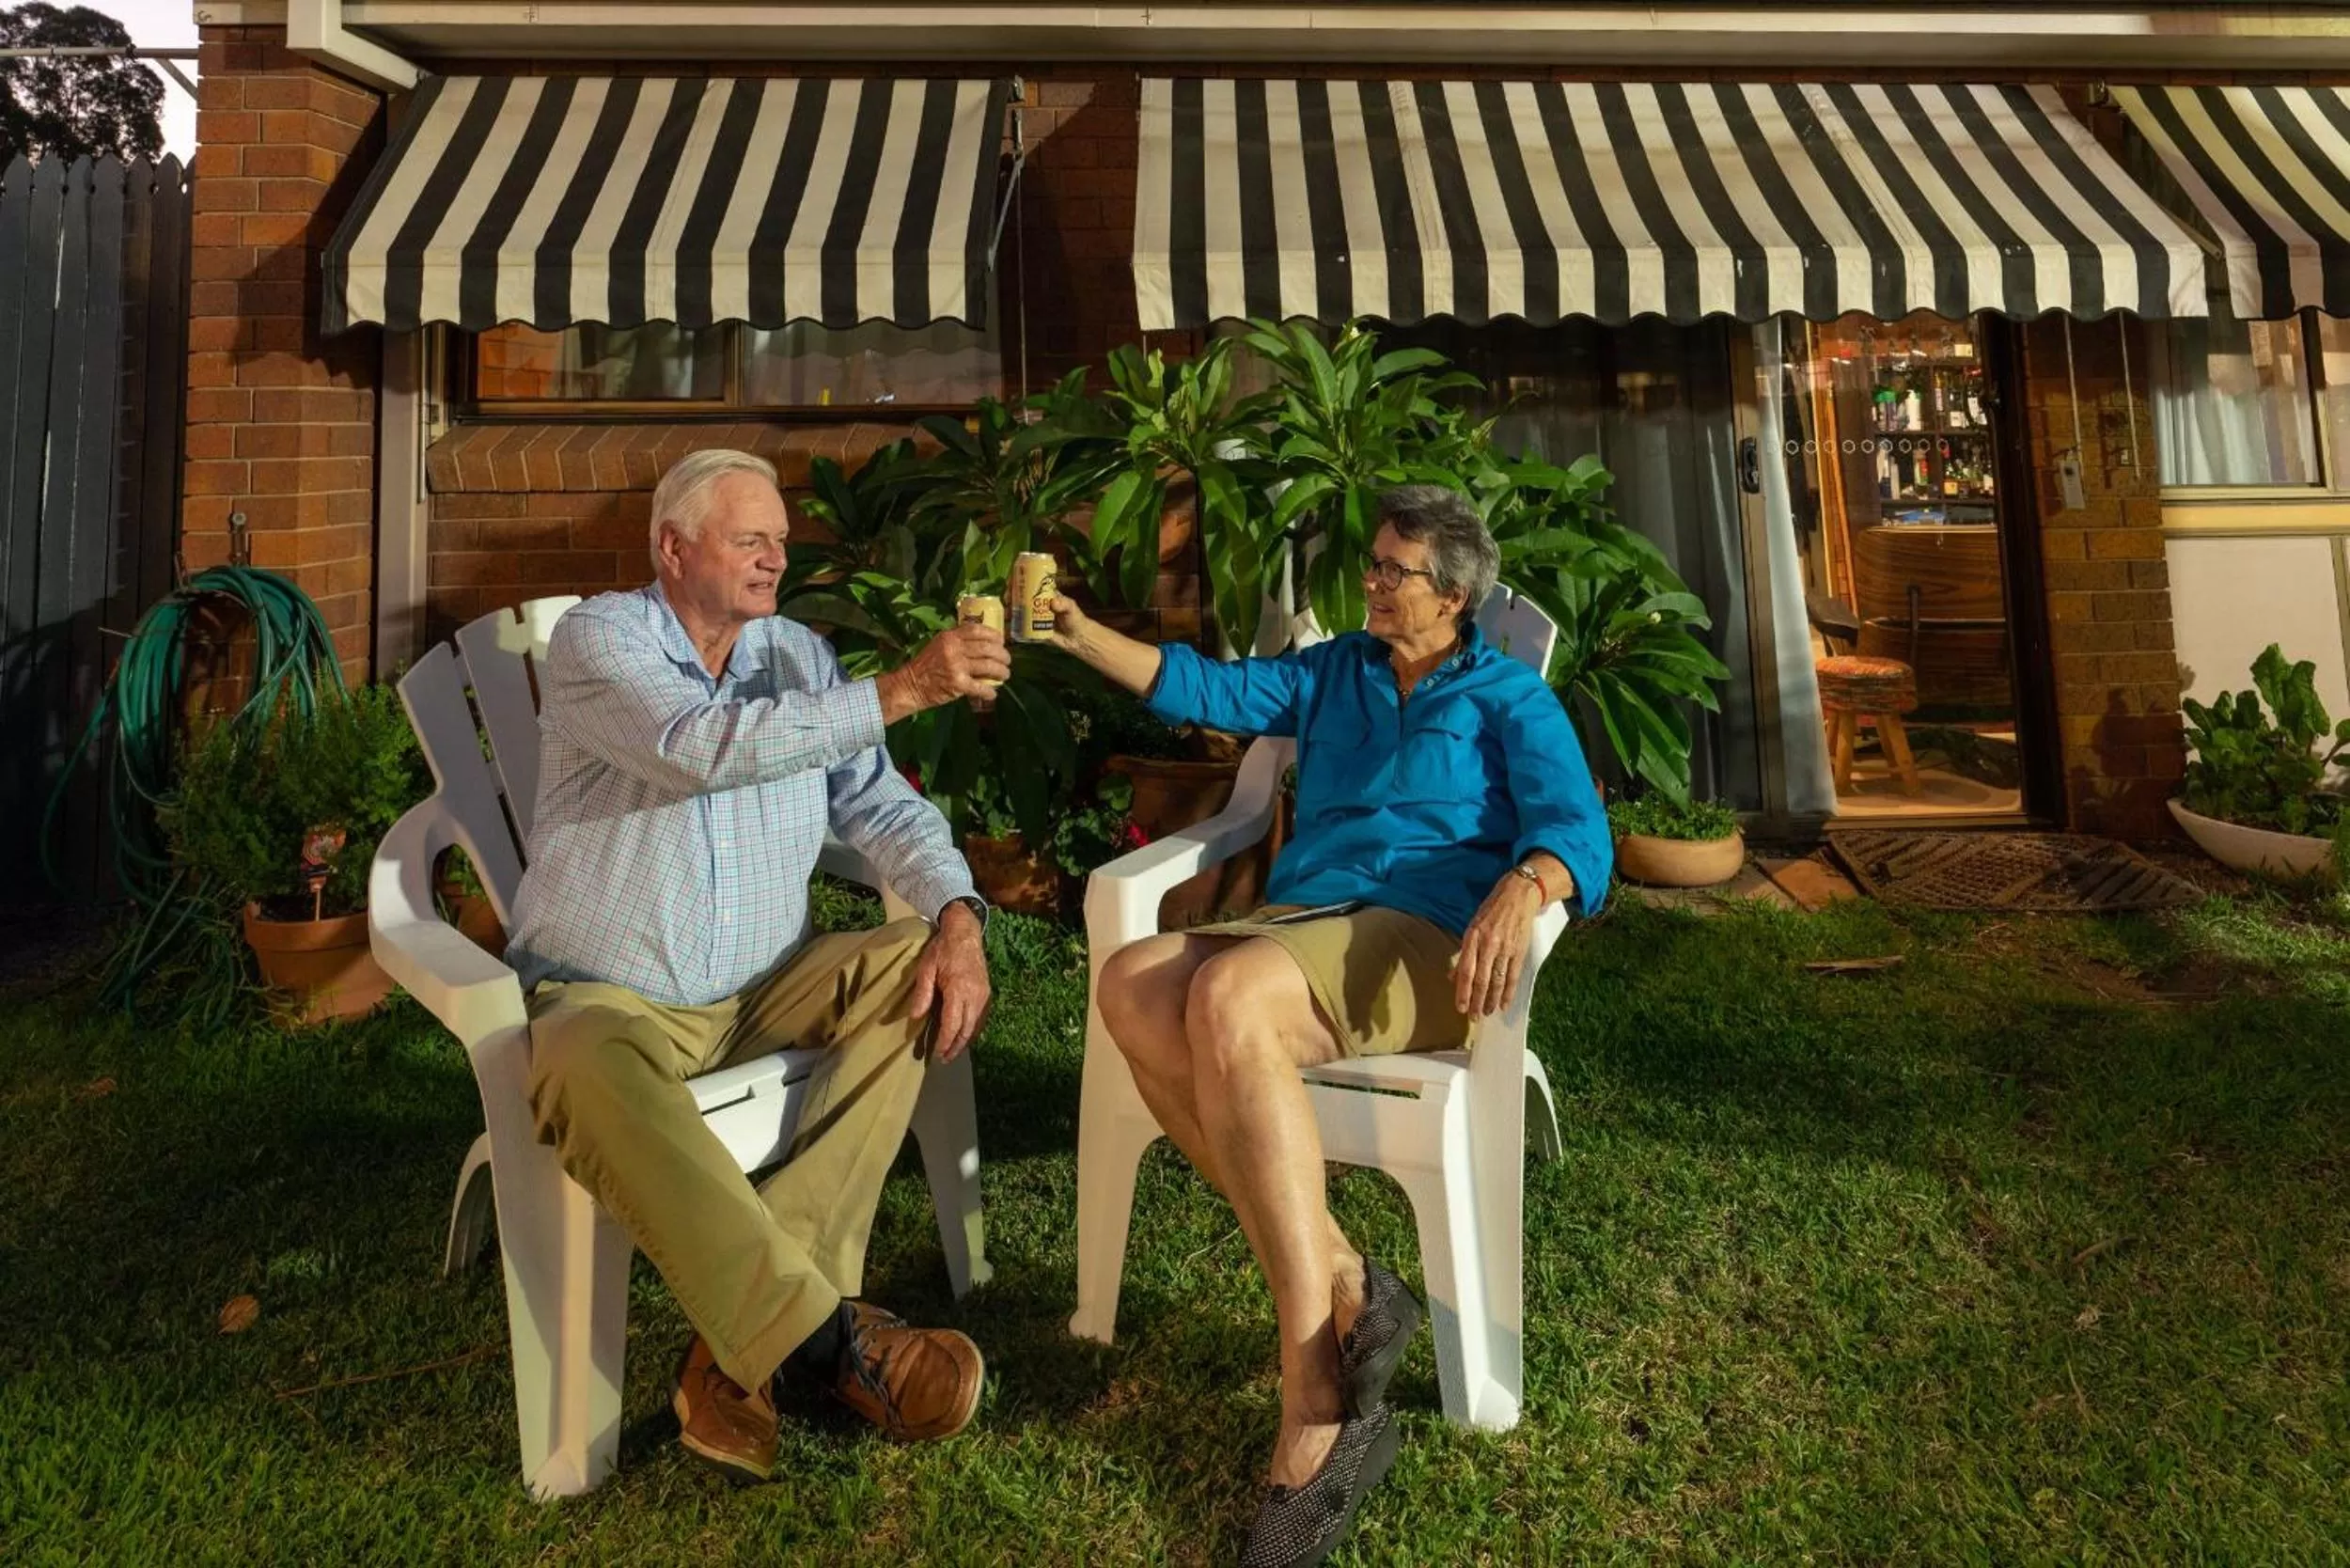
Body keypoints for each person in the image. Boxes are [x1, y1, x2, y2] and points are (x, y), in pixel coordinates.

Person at [1047, 485, 1611, 1567]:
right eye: (1374, 566)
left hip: (1423, 940)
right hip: (1305, 924)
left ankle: (1314, 1392)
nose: (1372, 582)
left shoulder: (1505, 699)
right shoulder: (1338, 671)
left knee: (1222, 997)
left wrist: (1525, 883)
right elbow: (1201, 683)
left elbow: (1580, 832)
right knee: (1128, 983)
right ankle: (1349, 1280)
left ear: (1451, 597)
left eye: (1392, 571)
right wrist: (1078, 633)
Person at [503, 448, 1010, 1486]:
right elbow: (699, 746)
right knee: (577, 1061)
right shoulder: (602, 639)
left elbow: (875, 805)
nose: (775, 557)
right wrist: (908, 686)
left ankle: (741, 1351)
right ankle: (827, 1346)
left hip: (762, 982)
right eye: (750, 539)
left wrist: (957, 910)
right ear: (672, 547)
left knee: (909, 963)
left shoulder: (798, 655)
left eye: (781, 539)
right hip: (612, 993)